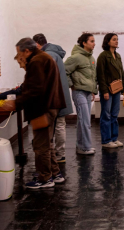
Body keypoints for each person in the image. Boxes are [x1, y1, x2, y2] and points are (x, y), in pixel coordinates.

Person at [14, 38, 66, 189]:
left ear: (27, 51)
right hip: (50, 105)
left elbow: (35, 90)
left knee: (41, 145)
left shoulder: (37, 61)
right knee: (47, 143)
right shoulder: (43, 57)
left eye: (19, 53)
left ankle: (45, 178)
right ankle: (55, 174)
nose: (19, 57)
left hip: (43, 107)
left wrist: (16, 102)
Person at [33, 33, 73, 163]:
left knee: (54, 126)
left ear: (38, 44)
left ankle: (55, 154)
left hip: (53, 96)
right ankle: (60, 153)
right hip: (61, 94)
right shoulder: (56, 53)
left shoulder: (48, 55)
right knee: (61, 124)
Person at [65, 33, 98, 155]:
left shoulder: (92, 59)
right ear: (84, 43)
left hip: (88, 92)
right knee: (85, 120)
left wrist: (93, 90)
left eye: (94, 41)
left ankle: (81, 146)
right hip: (78, 91)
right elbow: (64, 71)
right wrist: (71, 85)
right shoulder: (76, 57)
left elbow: (93, 77)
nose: (94, 43)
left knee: (83, 120)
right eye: (92, 41)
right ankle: (85, 147)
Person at [96, 33, 124, 149]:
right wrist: (104, 91)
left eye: (117, 39)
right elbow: (100, 75)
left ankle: (114, 138)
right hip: (107, 90)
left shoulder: (117, 56)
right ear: (107, 41)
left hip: (117, 90)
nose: (116, 41)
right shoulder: (103, 56)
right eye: (114, 39)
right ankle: (106, 140)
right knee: (106, 115)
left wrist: (123, 87)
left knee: (114, 115)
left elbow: (121, 73)